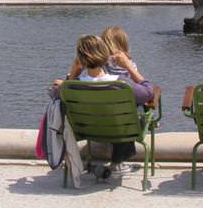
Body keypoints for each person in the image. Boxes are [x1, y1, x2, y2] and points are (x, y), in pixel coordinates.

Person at [54, 33, 155, 179]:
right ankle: (119, 161)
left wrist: (73, 73)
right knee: (137, 110)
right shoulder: (120, 83)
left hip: (86, 131)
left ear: (80, 59)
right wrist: (129, 66)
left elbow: (56, 95)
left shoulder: (71, 86)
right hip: (120, 131)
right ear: (105, 55)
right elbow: (148, 93)